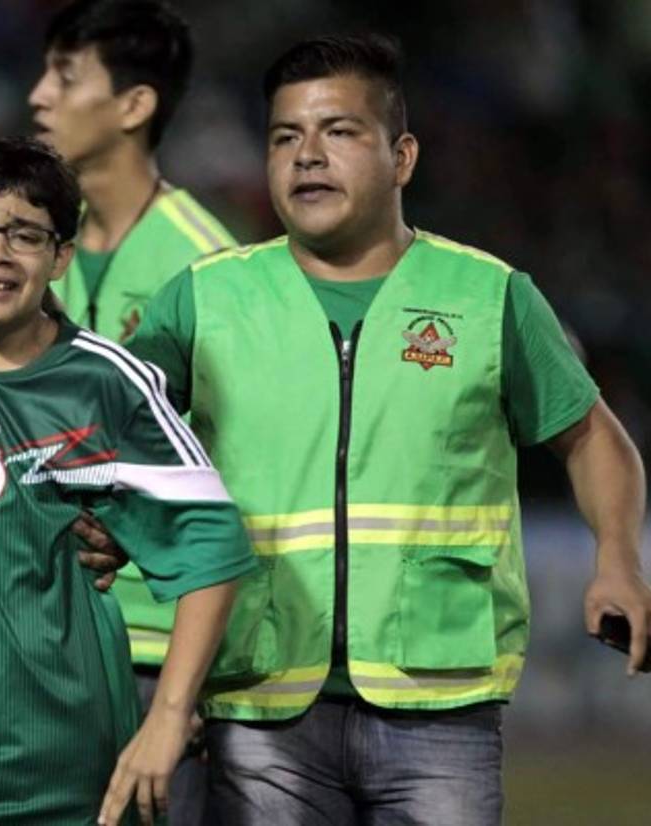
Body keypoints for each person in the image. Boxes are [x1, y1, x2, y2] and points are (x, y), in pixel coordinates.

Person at [127, 33, 651, 825]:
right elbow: (112, 433)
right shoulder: (202, 299)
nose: (307, 156)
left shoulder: (488, 296)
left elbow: (592, 438)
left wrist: (618, 558)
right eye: (284, 137)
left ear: (401, 157)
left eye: (338, 133)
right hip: (260, 700)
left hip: (439, 701)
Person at [0, 136, 253, 826]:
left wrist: (167, 718)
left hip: (75, 770)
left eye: (26, 235)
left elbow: (213, 553)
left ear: (61, 256)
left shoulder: (106, 383)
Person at [29, 5, 240, 819]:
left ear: (134, 105)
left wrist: (182, 698)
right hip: (35, 644)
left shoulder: (205, 264)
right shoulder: (26, 247)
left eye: (67, 75)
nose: (39, 96)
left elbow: (230, 474)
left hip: (150, 652)